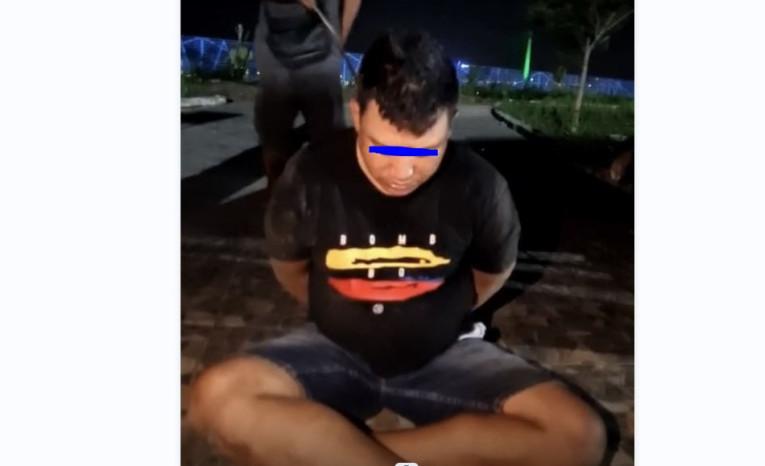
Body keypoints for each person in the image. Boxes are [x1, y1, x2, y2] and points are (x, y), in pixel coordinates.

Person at [189, 31, 609, 466]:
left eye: (427, 150)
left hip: (446, 352)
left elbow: (491, 274)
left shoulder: (481, 186)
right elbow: (290, 268)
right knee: (214, 397)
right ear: (357, 113)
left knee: (578, 435)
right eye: (383, 148)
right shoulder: (311, 174)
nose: (403, 171)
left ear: (451, 121)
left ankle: (331, 449)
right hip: (334, 347)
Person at [254, 0, 362, 190]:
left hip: (324, 50)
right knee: (273, 133)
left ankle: (326, 196)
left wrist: (339, 38)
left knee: (329, 139)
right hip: (273, 50)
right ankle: (276, 195)